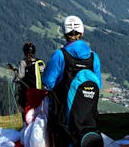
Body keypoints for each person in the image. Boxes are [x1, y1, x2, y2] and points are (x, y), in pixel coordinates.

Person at [42, 15, 103, 147]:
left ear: (65, 34)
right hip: (89, 117)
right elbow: (98, 84)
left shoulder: (60, 55)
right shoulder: (94, 58)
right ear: (82, 33)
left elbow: (48, 81)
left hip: (63, 116)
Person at [14, 42, 45, 122]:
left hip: (28, 91)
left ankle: (26, 125)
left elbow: (20, 76)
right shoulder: (40, 62)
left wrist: (15, 77)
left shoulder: (23, 62)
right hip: (41, 90)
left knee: (25, 107)